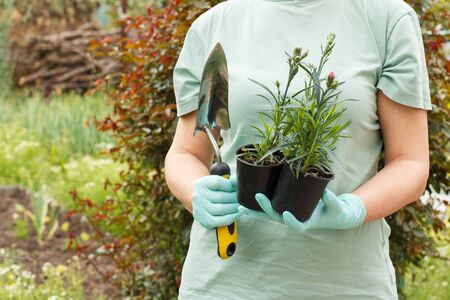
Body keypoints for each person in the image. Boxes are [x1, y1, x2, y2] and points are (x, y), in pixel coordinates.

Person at [164, 0, 431, 298]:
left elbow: (410, 162)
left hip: (347, 285)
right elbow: (185, 153)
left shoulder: (386, 20)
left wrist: (353, 209)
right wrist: (196, 191)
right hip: (223, 285)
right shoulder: (213, 26)